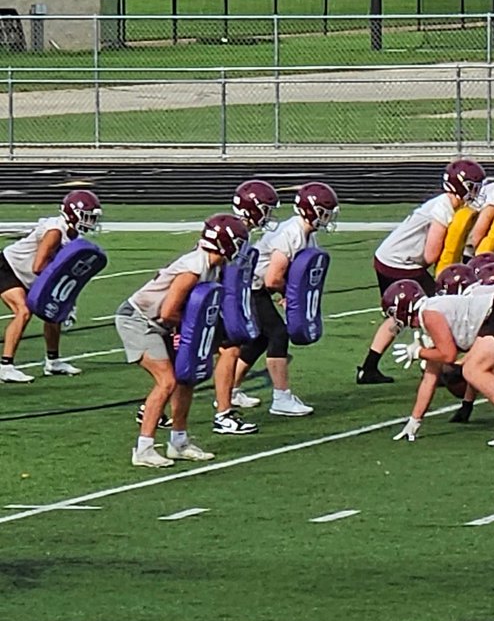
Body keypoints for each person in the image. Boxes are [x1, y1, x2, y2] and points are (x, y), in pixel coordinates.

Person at [115, 214, 250, 468]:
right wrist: (190, 330)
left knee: (185, 379)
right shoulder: (193, 268)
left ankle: (179, 442)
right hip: (140, 320)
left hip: (163, 323)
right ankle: (143, 448)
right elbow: (168, 311)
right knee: (167, 382)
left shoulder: (213, 265)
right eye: (237, 242)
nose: (240, 248)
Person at [357, 159, 485, 384]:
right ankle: (442, 369)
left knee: (399, 315)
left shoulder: (445, 204)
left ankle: (368, 368)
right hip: (401, 263)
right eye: (473, 186)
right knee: (438, 310)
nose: (476, 191)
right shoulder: (443, 208)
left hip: (390, 258)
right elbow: (432, 254)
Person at [386, 277, 494, 447]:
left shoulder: (429, 314)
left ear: (403, 307)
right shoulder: (430, 314)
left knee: (472, 370)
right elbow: (430, 378)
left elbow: (448, 356)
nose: (394, 319)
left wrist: (418, 352)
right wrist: (414, 421)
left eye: (393, 313)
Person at [234, 181, 338, 417]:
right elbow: (273, 278)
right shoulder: (292, 233)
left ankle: (231, 389)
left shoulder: (305, 234)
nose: (328, 218)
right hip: (252, 287)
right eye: (324, 213)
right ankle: (281, 397)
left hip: (256, 286)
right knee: (278, 334)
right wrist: (289, 295)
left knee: (259, 339)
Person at [0, 190, 102, 383]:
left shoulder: (73, 234)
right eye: (87, 216)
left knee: (54, 312)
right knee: (23, 312)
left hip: (27, 272)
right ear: (73, 214)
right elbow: (38, 266)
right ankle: (5, 366)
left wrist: (67, 301)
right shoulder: (55, 232)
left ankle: (53, 362)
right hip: (9, 267)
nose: (91, 221)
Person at [211, 178, 280, 435]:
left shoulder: (241, 232)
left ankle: (224, 409)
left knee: (225, 353)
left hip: (217, 299)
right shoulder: (232, 232)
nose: (268, 215)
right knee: (194, 359)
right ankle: (223, 413)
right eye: (265, 208)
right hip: (209, 299)